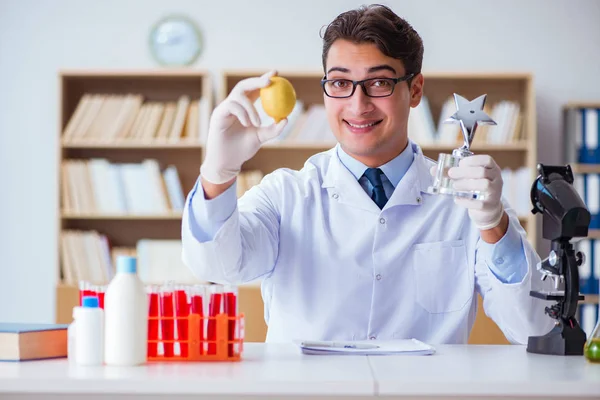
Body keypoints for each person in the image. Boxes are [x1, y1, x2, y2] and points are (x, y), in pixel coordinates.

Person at [182, 4, 554, 344]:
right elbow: (217, 267)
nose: (358, 106)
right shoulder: (286, 195)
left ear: (415, 90)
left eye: (379, 82)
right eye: (340, 83)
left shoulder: (468, 198)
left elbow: (533, 326)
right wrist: (218, 174)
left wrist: (494, 227)